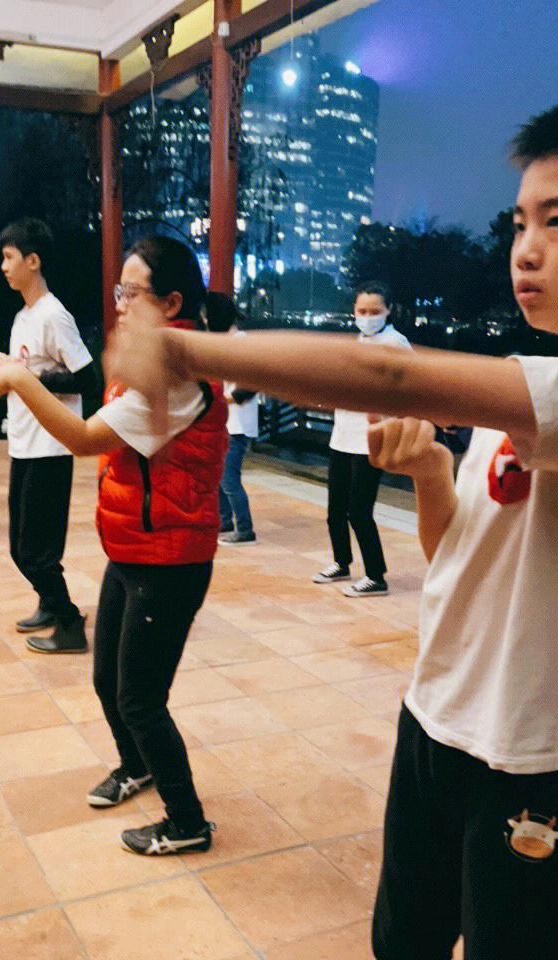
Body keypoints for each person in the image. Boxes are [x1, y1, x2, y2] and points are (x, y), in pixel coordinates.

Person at [102, 106, 558, 957]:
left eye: (555, 222)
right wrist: (428, 473)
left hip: (529, 761)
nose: (525, 248)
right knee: (403, 942)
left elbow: (387, 371)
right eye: (521, 222)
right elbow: (453, 559)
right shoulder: (521, 388)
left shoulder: (544, 390)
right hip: (436, 720)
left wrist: (191, 352)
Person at [0, 234, 227, 856]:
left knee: (140, 696)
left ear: (171, 302)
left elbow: (85, 438)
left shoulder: (174, 372)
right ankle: (136, 766)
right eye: (119, 291)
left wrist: (21, 381)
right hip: (133, 548)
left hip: (171, 559)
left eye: (131, 294)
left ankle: (187, 822)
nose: (118, 305)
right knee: (107, 680)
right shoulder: (144, 356)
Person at [0, 218, 96, 654]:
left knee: (35, 552)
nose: (3, 266)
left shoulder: (54, 315)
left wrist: (23, 374)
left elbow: (88, 378)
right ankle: (50, 605)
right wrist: (8, 369)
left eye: (9, 257)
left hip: (52, 446)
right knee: (21, 548)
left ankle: (69, 624)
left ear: (33, 261)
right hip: (24, 443)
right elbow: (27, 374)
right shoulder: (23, 317)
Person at [313, 282, 410, 596]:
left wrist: (382, 412)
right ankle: (341, 562)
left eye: (375, 311)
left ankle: (376, 576)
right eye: (362, 311)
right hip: (342, 435)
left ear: (388, 310)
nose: (367, 317)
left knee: (359, 510)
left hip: (371, 439)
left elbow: (411, 386)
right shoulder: (355, 341)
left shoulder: (395, 342)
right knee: (334, 510)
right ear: (354, 311)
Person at [204, 292, 258, 545]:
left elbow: (248, 387)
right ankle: (224, 520)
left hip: (237, 423)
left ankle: (245, 529)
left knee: (229, 478)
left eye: (206, 315)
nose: (203, 321)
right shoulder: (223, 342)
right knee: (219, 476)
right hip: (224, 421)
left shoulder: (242, 342)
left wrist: (217, 399)